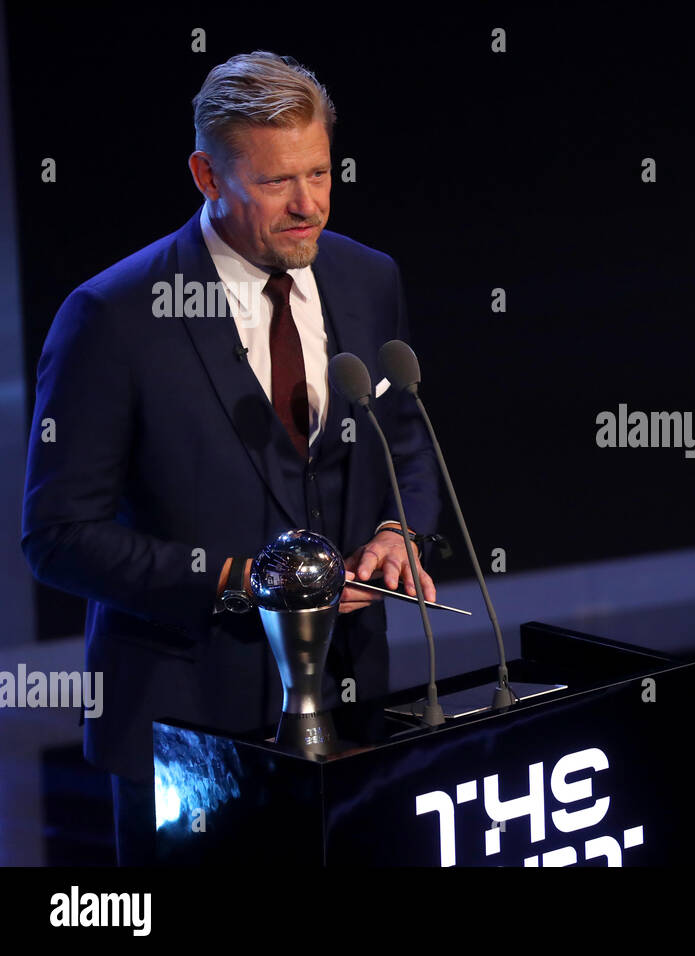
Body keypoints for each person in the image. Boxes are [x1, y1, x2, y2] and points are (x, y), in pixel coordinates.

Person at [20, 52, 441, 865]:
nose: (308, 204)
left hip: (354, 708)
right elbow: (58, 533)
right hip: (186, 732)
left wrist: (398, 529)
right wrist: (233, 583)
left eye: (319, 172)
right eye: (278, 182)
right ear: (208, 175)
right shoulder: (112, 316)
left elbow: (408, 444)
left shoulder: (366, 277)